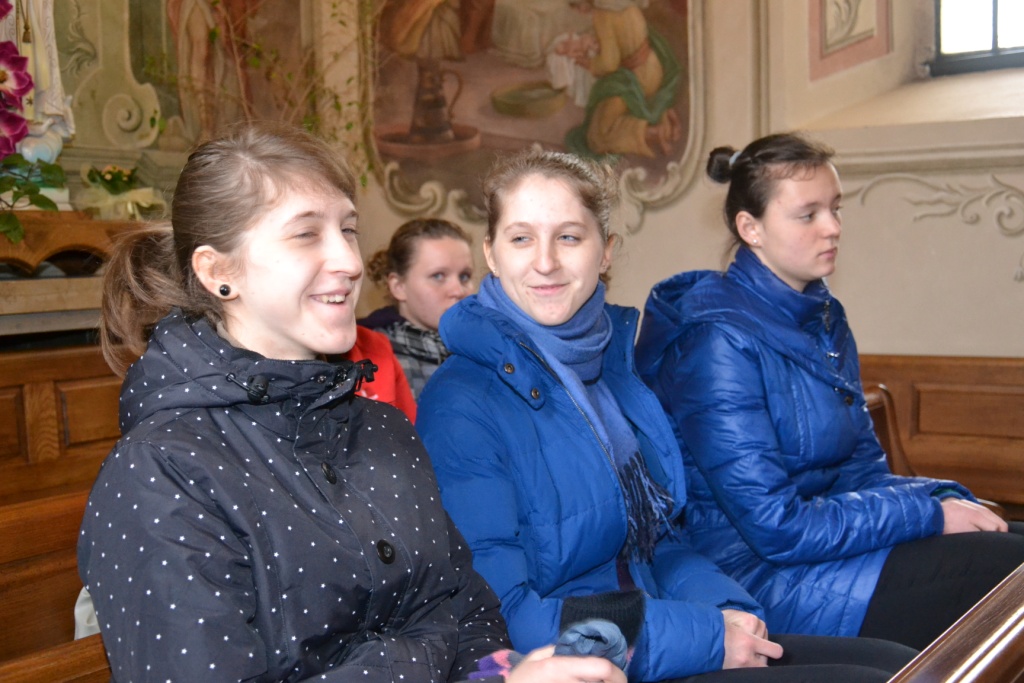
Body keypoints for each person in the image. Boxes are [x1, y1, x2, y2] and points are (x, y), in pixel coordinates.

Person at [78, 121, 627, 683]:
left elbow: (470, 617)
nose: (349, 261)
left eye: (348, 229)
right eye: (306, 234)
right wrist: (419, 658)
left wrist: (504, 676)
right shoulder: (162, 471)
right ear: (220, 272)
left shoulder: (384, 429)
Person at [416, 148, 917, 682]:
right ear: (492, 254)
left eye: (569, 237)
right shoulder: (461, 402)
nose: (545, 262)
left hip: (661, 627)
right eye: (521, 239)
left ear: (605, 252)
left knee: (899, 665)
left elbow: (661, 544)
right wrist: (705, 638)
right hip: (581, 663)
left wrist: (726, 608)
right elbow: (506, 615)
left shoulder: (611, 371)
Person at [635, 132, 1024, 651]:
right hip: (756, 575)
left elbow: (863, 471)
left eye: (835, 208)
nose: (833, 227)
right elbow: (775, 527)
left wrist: (937, 497)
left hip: (828, 546)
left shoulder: (822, 316)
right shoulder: (716, 343)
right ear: (750, 228)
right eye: (808, 214)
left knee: (1006, 536)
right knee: (1009, 566)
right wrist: (928, 513)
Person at [360, 218, 475, 399]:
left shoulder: (485, 352)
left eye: (464, 276)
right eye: (438, 276)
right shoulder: (368, 360)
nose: (458, 291)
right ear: (399, 286)